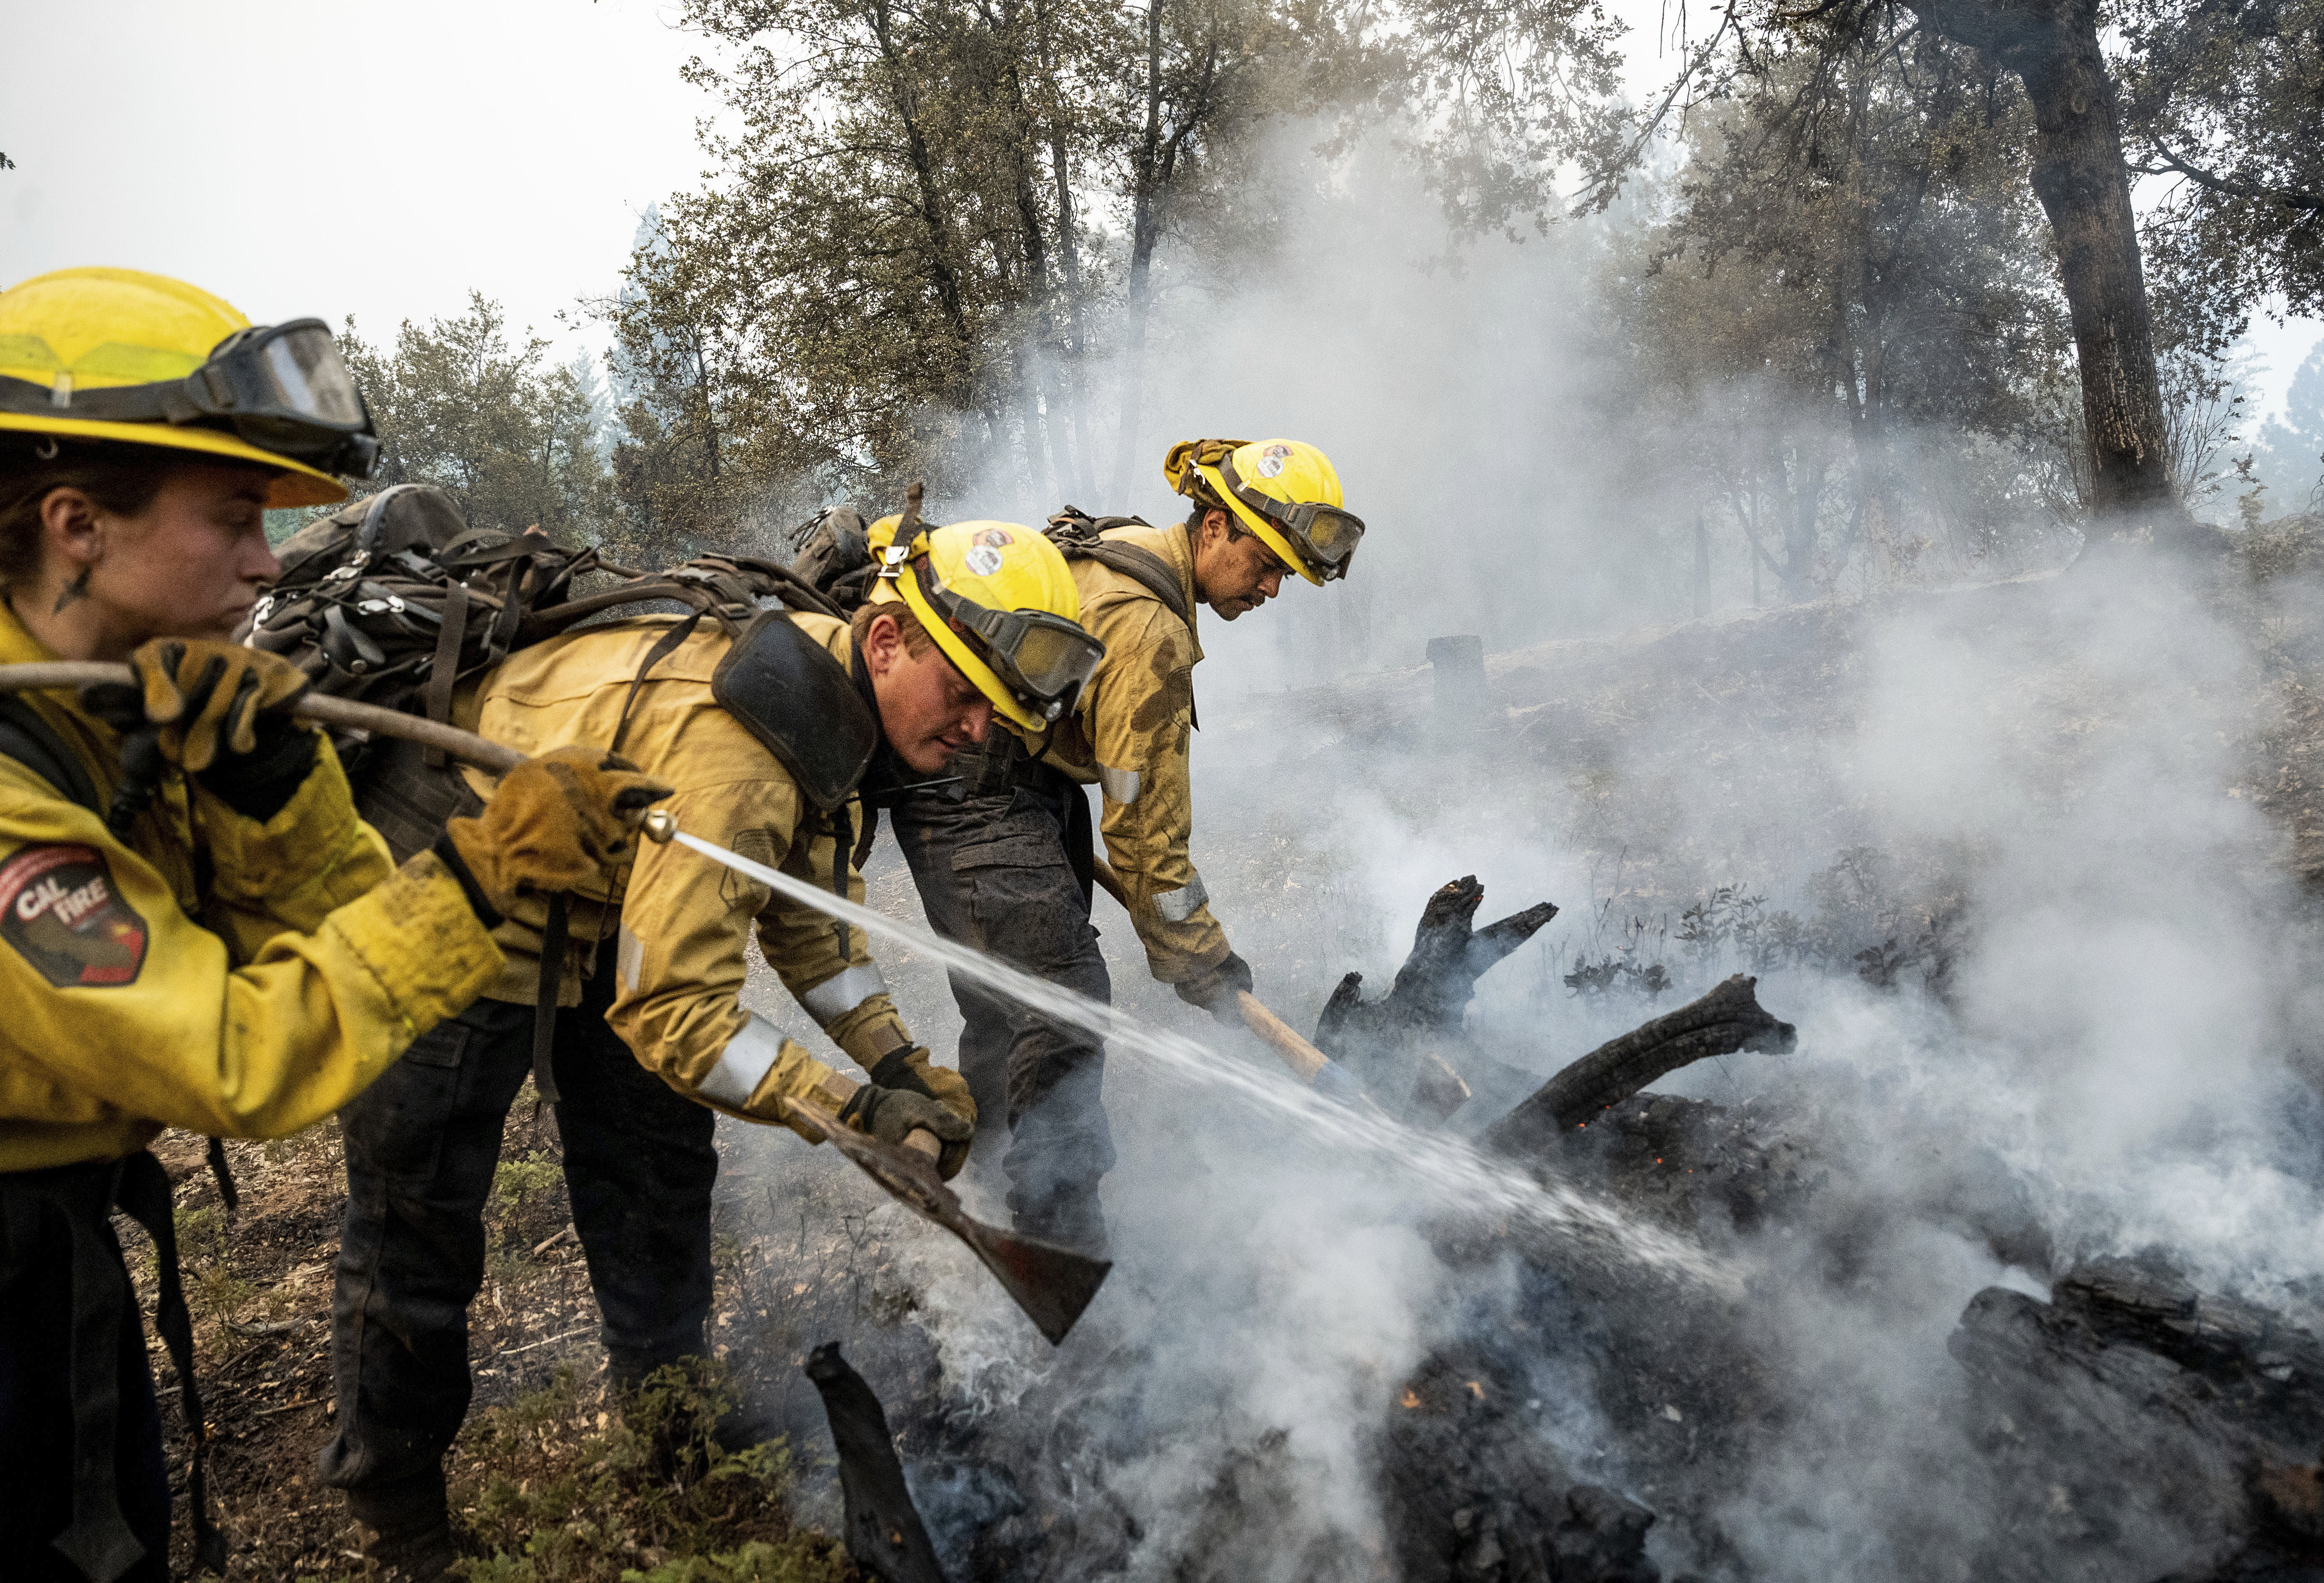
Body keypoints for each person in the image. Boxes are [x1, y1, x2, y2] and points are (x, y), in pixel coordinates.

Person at [0, 266, 672, 1583]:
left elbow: (355, 928)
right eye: (238, 515)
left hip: (58, 1267)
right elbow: (237, 1059)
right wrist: (481, 883)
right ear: (77, 521)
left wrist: (269, 789)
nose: (268, 560)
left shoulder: (95, 710)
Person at [321, 505, 1104, 1579]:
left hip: (597, 885)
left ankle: (668, 1417)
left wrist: (898, 1062)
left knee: (655, 1161)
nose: (977, 729)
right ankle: (398, 1502)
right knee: (424, 1203)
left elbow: (806, 922)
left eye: (999, 712)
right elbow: (674, 1012)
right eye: (965, 691)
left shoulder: (830, 712)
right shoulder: (739, 746)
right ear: (887, 639)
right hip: (449, 862)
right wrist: (846, 1107)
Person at [885, 438, 1363, 1252]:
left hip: (1010, 779)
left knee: (1010, 1004)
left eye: (1289, 574)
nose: (1274, 587)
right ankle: (1059, 1238)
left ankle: (982, 1195)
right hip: (982, 784)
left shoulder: (1133, 548)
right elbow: (1145, 831)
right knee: (1065, 998)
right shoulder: (1152, 630)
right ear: (1214, 527)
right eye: (1266, 562)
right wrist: (1202, 959)